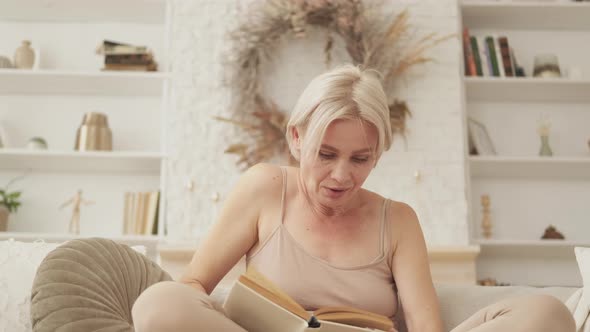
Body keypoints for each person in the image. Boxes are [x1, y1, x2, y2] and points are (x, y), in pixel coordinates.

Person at [132, 64, 575, 332]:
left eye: (360, 158)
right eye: (325, 154)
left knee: (548, 313)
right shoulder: (264, 188)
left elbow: (424, 326)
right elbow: (193, 286)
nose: (341, 176)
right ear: (296, 138)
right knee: (157, 304)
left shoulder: (397, 220)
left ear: (379, 154)